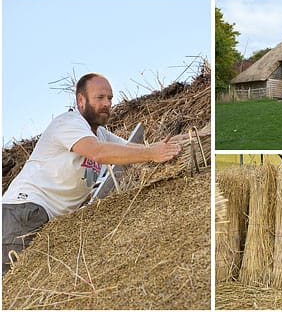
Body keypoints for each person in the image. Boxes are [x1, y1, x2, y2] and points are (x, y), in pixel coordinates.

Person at [2, 73, 183, 275]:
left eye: (110, 98)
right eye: (100, 98)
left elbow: (135, 149)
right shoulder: (69, 123)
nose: (107, 103)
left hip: (48, 219)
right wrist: (151, 154)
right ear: (81, 100)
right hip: (25, 211)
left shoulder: (100, 134)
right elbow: (99, 153)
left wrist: (193, 136)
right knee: (9, 282)